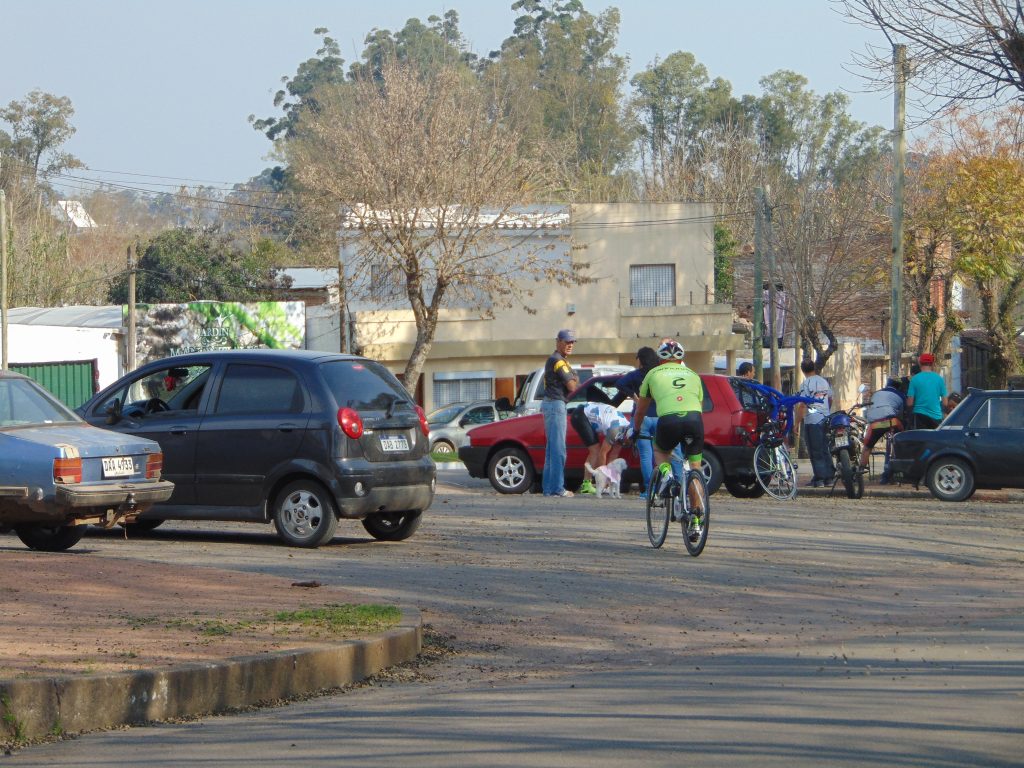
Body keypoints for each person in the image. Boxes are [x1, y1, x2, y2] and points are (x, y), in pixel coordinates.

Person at [631, 339, 705, 540]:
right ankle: (696, 520)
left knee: (660, 451)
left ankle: (665, 474)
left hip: (669, 421)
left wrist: (635, 430)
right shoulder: (693, 375)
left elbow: (641, 410)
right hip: (694, 421)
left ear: (659, 359)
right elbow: (698, 404)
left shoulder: (652, 374)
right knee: (694, 469)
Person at [615, 347, 684, 498]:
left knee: (646, 455)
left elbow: (619, 384)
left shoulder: (635, 375)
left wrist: (634, 396)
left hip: (642, 418)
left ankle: (649, 490)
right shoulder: (660, 373)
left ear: (641, 359)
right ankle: (680, 486)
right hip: (661, 416)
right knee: (671, 451)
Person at [541, 329, 579, 497]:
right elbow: (572, 386)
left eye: (572, 342)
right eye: (566, 342)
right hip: (556, 405)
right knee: (558, 450)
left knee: (551, 449)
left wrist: (574, 377)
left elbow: (575, 381)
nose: (570, 345)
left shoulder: (559, 360)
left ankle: (549, 489)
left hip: (550, 404)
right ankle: (557, 488)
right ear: (558, 341)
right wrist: (574, 378)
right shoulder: (558, 361)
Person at [570, 401, 631, 493]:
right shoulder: (616, 430)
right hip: (581, 415)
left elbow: (613, 457)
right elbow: (603, 454)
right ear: (625, 436)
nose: (626, 445)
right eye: (626, 443)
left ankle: (591, 485)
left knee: (599, 451)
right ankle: (586, 485)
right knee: (596, 451)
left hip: (590, 414)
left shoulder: (626, 429)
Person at [857, 377, 907, 482]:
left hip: (874, 424)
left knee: (867, 447)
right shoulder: (901, 395)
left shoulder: (876, 393)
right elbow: (901, 413)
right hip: (891, 421)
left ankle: (860, 470)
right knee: (901, 438)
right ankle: (894, 461)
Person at [795, 359, 834, 488]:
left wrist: (796, 424)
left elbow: (802, 405)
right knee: (825, 449)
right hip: (825, 419)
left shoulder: (805, 384)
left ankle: (819, 479)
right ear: (814, 368)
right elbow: (830, 398)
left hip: (812, 420)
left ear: (802, 370)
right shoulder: (824, 381)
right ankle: (829, 478)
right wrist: (825, 411)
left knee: (815, 450)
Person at [906, 353, 947, 429]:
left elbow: (909, 403)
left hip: (919, 416)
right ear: (932, 364)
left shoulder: (914, 379)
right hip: (936, 417)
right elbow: (945, 402)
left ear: (920, 363)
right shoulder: (939, 379)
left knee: (920, 439)